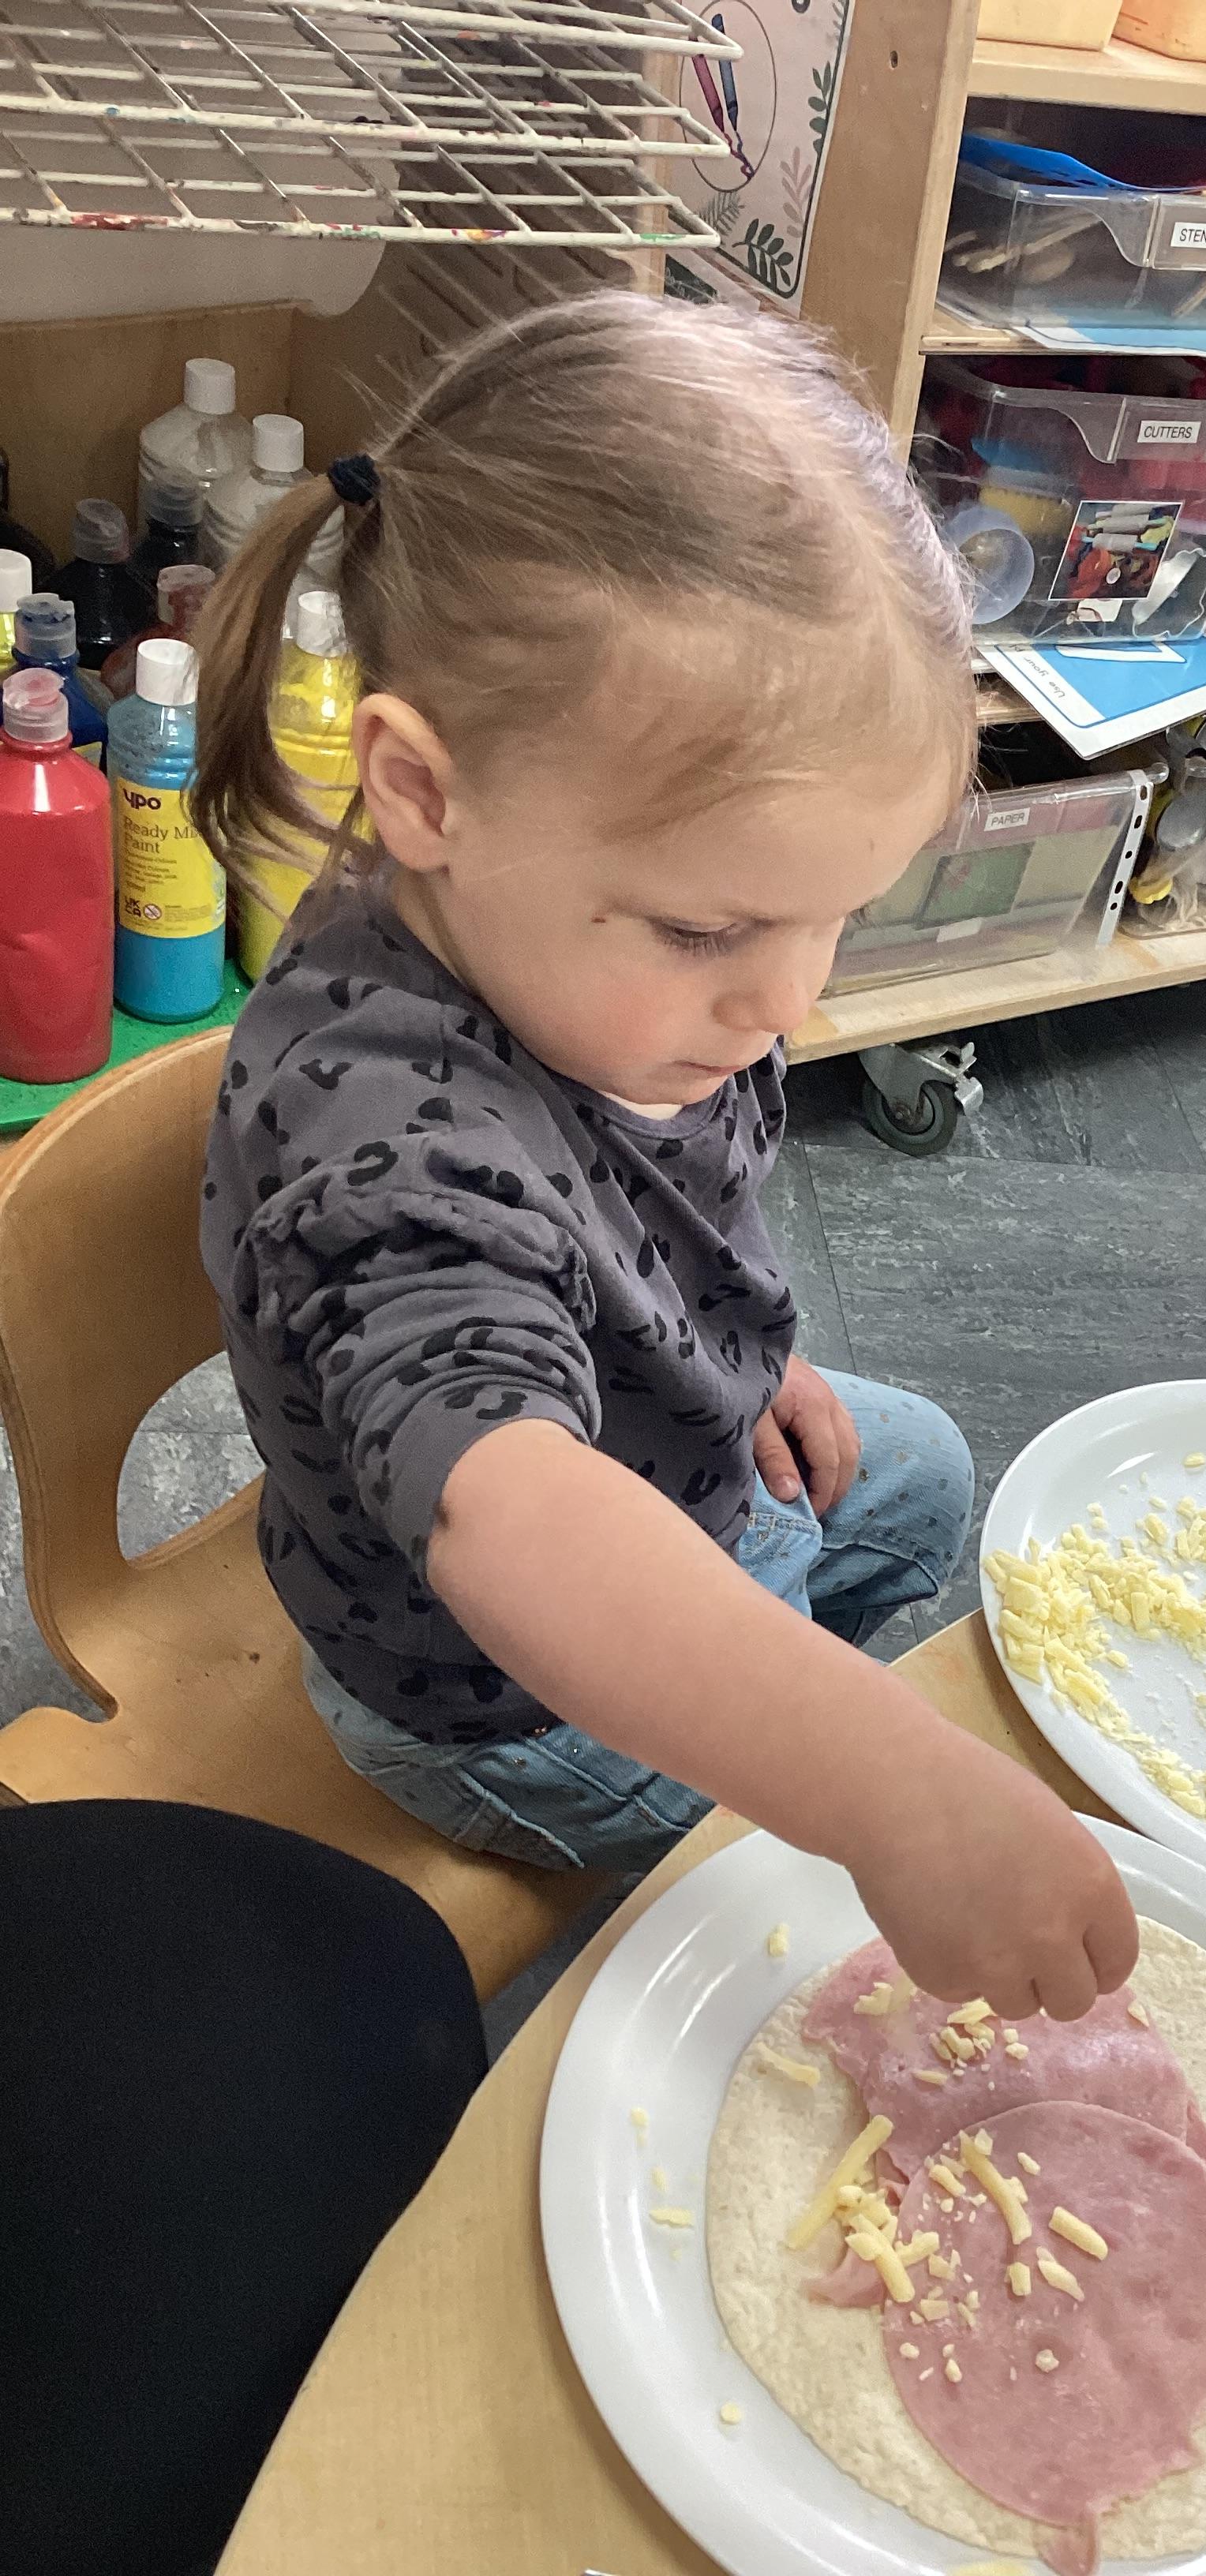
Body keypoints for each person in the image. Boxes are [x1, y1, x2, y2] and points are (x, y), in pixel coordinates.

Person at [191, 294, 1134, 2023]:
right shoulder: (379, 1134)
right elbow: (508, 1514)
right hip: (485, 1692)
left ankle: (759, 1673)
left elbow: (665, 1232)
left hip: (678, 1454)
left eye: (838, 914)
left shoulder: (590, 953)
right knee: (793, 1905)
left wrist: (748, 1365)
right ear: (423, 794)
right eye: (714, 929)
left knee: (923, 1477)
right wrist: (881, 1790)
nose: (784, 1002)